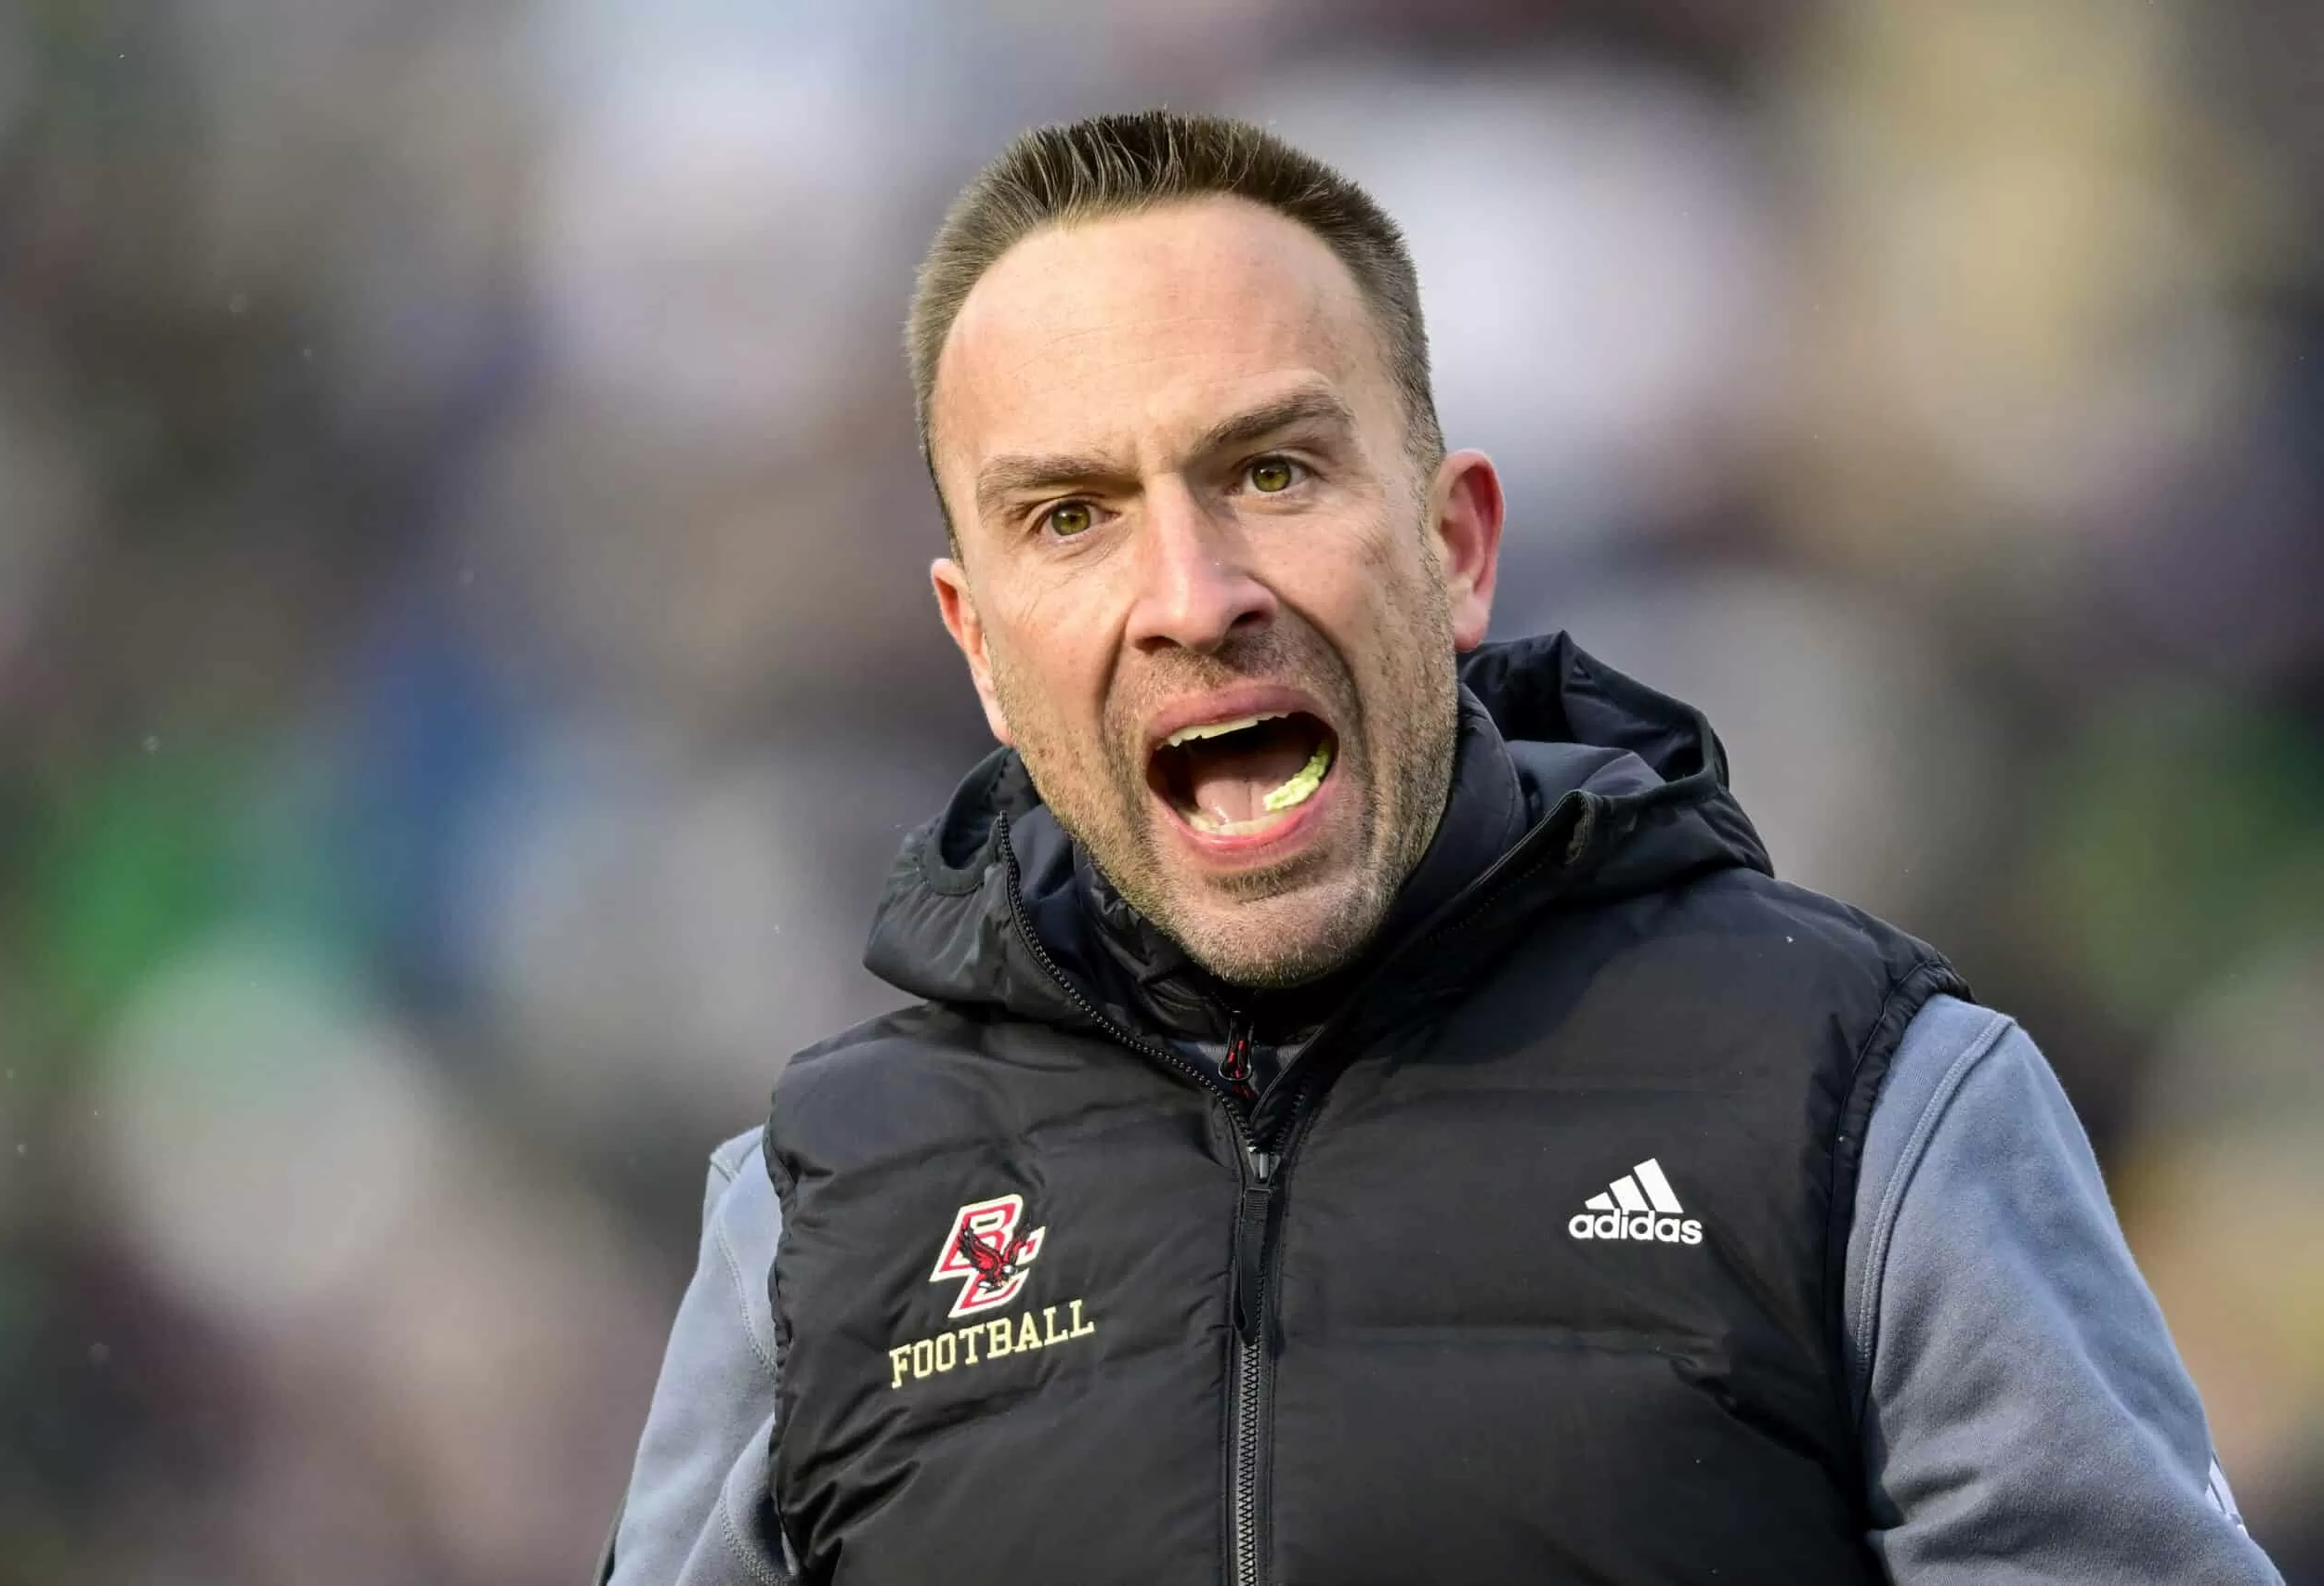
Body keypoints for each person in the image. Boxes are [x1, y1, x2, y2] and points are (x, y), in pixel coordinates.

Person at [596, 111, 2283, 1585]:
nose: (1192, 595)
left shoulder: (1866, 1100)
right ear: (978, 645)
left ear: (1458, 544)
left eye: (1271, 470)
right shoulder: (812, 1216)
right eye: (1071, 515)